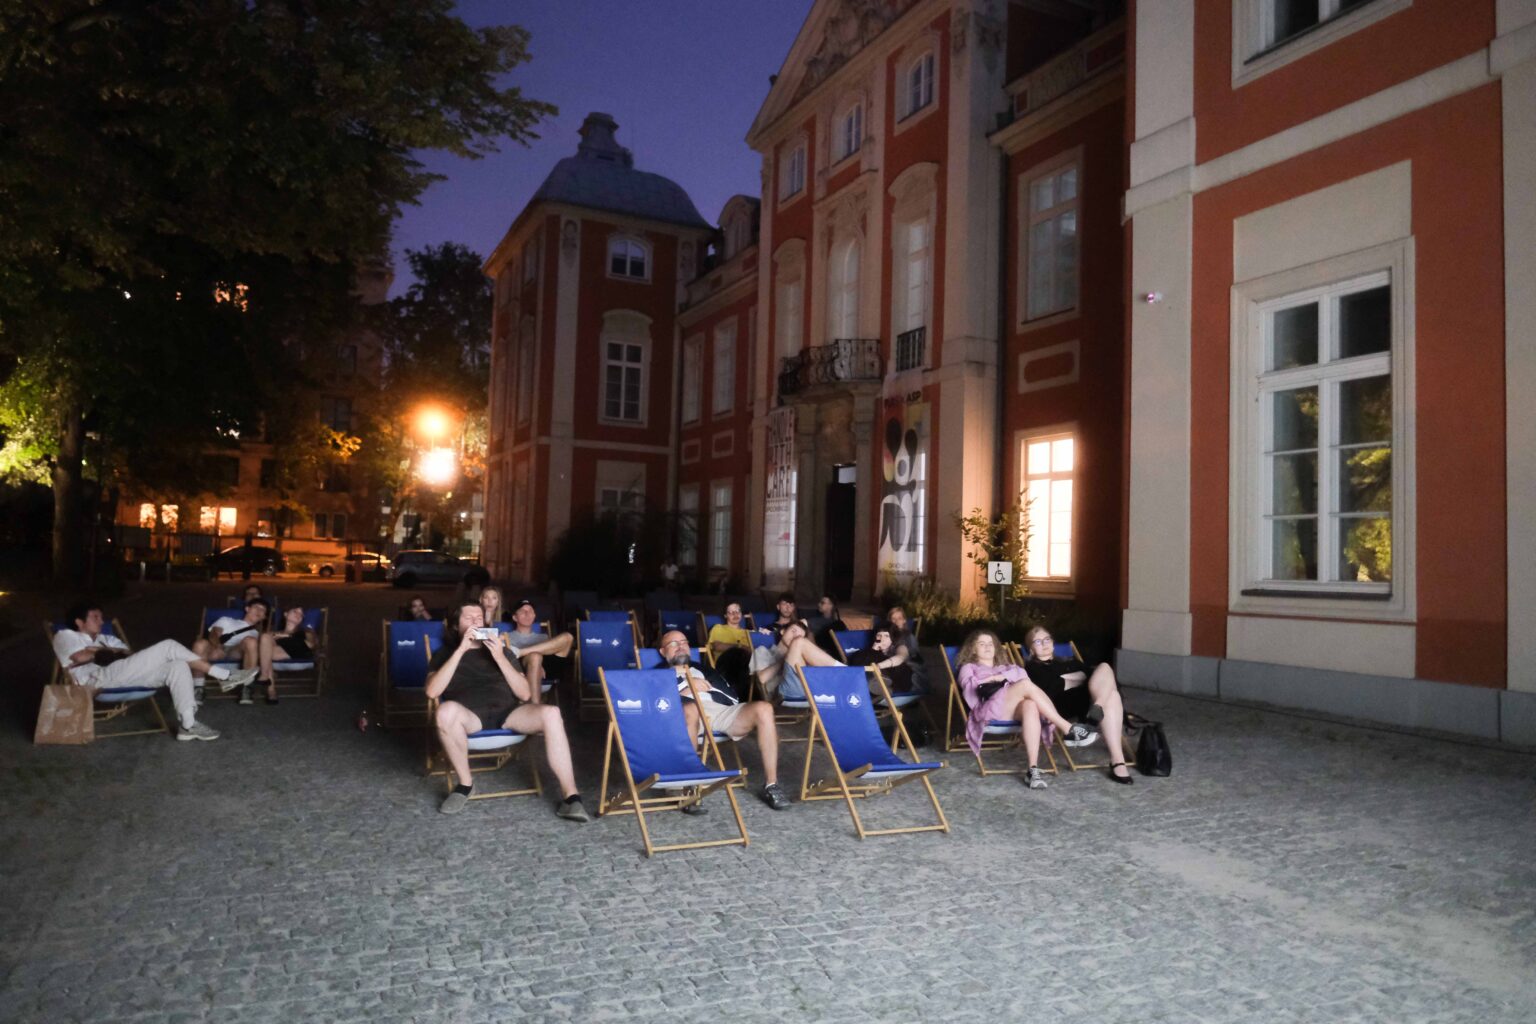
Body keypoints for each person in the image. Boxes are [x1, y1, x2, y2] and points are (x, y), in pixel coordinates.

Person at [427, 601, 589, 820]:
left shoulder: (501, 650)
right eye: (469, 618)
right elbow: (432, 692)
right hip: (469, 716)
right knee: (445, 712)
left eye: (479, 618)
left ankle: (571, 798)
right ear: (456, 626)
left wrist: (500, 657)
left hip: (509, 714)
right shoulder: (444, 653)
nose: (475, 622)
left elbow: (524, 694)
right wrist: (460, 651)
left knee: (551, 713)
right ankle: (465, 785)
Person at [52, 602, 257, 741]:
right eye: (95, 617)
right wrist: (106, 652)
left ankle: (188, 725)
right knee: (168, 646)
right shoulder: (65, 635)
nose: (101, 621)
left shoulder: (107, 638)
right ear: (79, 622)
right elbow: (79, 657)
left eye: (101, 617)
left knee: (178, 665)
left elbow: (128, 655)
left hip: (121, 674)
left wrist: (102, 651)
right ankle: (224, 676)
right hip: (94, 681)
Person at [658, 631, 790, 811]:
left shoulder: (704, 669)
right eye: (674, 643)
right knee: (691, 709)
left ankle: (771, 785)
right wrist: (687, 690)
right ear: (662, 651)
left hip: (719, 711)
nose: (681, 646)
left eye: (684, 642)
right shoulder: (657, 675)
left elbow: (731, 697)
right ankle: (686, 786)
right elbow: (656, 706)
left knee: (764, 709)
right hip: (685, 714)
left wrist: (703, 687)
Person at [954, 630, 1097, 790]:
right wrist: (1003, 679)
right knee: (1025, 686)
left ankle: (1032, 769)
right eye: (982, 644)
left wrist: (998, 678)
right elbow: (971, 691)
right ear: (973, 649)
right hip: (988, 710)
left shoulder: (1007, 667)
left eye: (990, 644)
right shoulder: (968, 668)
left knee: (1030, 705)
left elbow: (1023, 676)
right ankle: (1068, 729)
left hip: (1010, 709)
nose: (987, 647)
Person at [1021, 625, 1132, 784]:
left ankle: (1098, 708)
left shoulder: (1069, 660)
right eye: (1038, 642)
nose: (1044, 644)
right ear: (1031, 649)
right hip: (1062, 705)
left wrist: (1073, 679)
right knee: (1111, 694)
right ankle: (1117, 761)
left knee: (1105, 668)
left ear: (1053, 643)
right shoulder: (1032, 668)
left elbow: (1090, 674)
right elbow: (1054, 687)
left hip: (1087, 698)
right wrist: (1081, 678)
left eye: (1047, 639)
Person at [194, 597, 269, 703]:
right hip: (217, 649)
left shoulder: (261, 635)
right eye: (256, 607)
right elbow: (214, 633)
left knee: (251, 641)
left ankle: (247, 687)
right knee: (200, 644)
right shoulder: (227, 620)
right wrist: (218, 647)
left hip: (238, 653)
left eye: (262, 610)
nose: (258, 611)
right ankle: (198, 688)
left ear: (264, 617)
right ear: (247, 609)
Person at [750, 621, 841, 701]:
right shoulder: (762, 651)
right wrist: (785, 659)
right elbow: (760, 679)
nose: (795, 637)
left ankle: (842, 675)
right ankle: (843, 671)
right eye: (793, 631)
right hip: (779, 696)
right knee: (799, 642)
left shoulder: (802, 657)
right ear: (783, 631)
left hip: (808, 691)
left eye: (800, 636)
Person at [506, 598, 574, 704]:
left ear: (534, 616)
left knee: (568, 637)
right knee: (535, 657)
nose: (527, 613)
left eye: (530, 611)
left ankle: (520, 652)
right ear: (515, 617)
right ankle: (535, 707)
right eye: (523, 611)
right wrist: (536, 664)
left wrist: (537, 664)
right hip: (520, 673)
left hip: (546, 673)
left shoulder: (544, 637)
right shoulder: (507, 637)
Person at [253, 605, 316, 705]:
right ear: (286, 614)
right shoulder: (275, 633)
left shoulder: (306, 631)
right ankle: (270, 687)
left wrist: (287, 635)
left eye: (301, 614)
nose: (298, 614)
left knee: (264, 652)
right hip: (277, 652)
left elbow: (310, 644)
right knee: (265, 637)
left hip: (300, 651)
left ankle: (267, 683)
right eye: (295, 611)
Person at [843, 626, 917, 694]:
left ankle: (883, 685)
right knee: (861, 658)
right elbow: (857, 665)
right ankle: (882, 686)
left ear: (892, 639)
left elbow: (900, 658)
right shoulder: (867, 652)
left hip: (900, 678)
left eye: (886, 636)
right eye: (879, 635)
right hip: (875, 678)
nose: (882, 639)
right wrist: (873, 650)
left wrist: (878, 666)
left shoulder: (898, 648)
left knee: (899, 666)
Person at [706, 601, 754, 691]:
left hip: (746, 665)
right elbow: (717, 646)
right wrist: (740, 646)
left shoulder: (748, 633)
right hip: (724, 664)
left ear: (741, 614)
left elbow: (752, 651)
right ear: (725, 615)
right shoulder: (718, 628)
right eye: (731, 612)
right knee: (739, 655)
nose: (735, 614)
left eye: (737, 611)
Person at [884, 606, 929, 694]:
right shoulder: (884, 635)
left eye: (899, 618)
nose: (896, 621)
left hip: (907, 671)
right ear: (889, 621)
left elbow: (913, 658)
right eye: (893, 619)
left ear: (904, 620)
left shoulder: (909, 637)